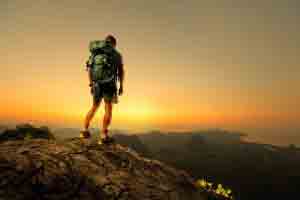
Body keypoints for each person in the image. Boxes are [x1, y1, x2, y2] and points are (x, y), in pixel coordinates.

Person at [80, 35, 124, 144]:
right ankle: (104, 136)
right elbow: (121, 71)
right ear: (114, 44)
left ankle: (84, 131)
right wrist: (121, 85)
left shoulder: (95, 53)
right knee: (108, 109)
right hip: (109, 85)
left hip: (96, 84)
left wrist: (91, 83)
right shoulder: (117, 55)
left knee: (94, 107)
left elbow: (89, 69)